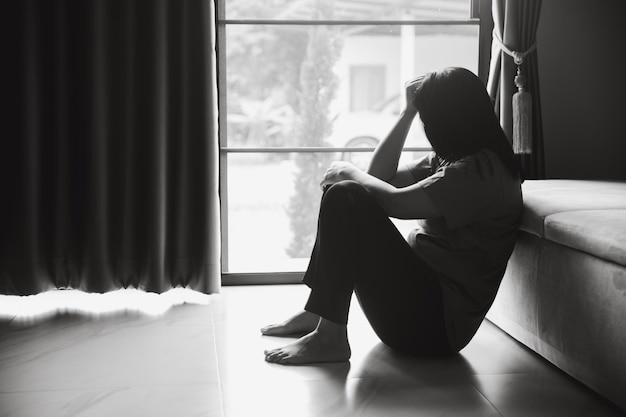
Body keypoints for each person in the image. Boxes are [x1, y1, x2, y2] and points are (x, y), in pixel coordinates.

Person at [262, 67, 524, 365]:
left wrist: (349, 171)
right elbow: (380, 177)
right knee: (347, 192)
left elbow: (395, 204)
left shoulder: (480, 172)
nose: (428, 130)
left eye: (429, 120)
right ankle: (321, 313)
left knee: (345, 193)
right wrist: (407, 112)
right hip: (419, 306)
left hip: (433, 326)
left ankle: (329, 338)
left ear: (451, 121)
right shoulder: (456, 160)